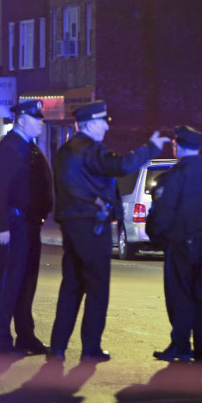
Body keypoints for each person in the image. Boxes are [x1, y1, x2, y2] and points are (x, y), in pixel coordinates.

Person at [47, 101, 171, 363]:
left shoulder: (65, 151)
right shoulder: (91, 150)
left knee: (71, 287)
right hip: (93, 227)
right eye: (103, 122)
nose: (106, 127)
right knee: (97, 288)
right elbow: (121, 165)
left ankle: (57, 348)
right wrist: (150, 148)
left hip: (71, 227)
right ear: (91, 124)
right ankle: (90, 348)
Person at [146, 125, 202, 363]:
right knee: (200, 293)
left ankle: (180, 345)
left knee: (179, 294)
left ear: (178, 146)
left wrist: (158, 237)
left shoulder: (175, 176)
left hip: (179, 242)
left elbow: (162, 212)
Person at [0, 99, 53, 356]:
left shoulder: (28, 146)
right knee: (10, 284)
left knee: (26, 284)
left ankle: (26, 337)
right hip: (13, 225)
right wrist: (2, 226)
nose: (41, 122)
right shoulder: (10, 147)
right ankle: (1, 341)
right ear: (22, 119)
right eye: (37, 118)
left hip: (28, 224)